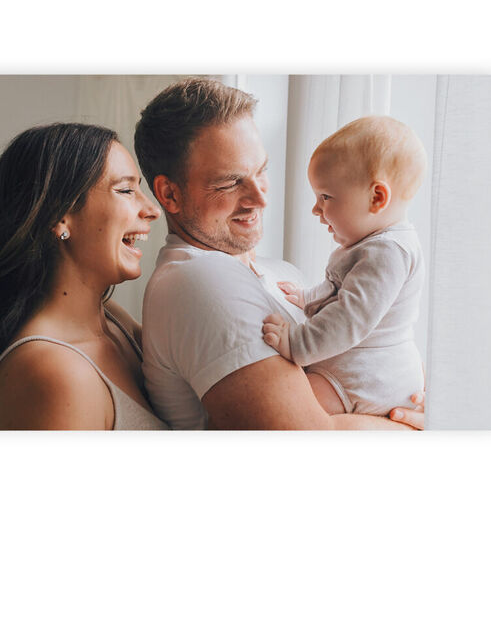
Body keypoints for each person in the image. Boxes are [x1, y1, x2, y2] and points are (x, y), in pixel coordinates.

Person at [133, 78, 426, 430]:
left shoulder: (278, 274)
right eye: (230, 182)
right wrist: (418, 430)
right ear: (170, 194)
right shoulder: (200, 281)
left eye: (261, 171)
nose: (260, 198)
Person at [0, 123, 168, 430]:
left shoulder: (113, 322)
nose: (153, 210)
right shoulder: (54, 372)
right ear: (60, 216)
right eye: (126, 190)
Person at [260, 115, 427, 415]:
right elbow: (342, 291)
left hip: (366, 377)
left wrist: (295, 342)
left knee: (290, 414)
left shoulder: (388, 252)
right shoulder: (374, 244)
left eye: (325, 197)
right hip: (359, 369)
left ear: (377, 197)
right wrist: (307, 297)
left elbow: (351, 317)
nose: (316, 209)